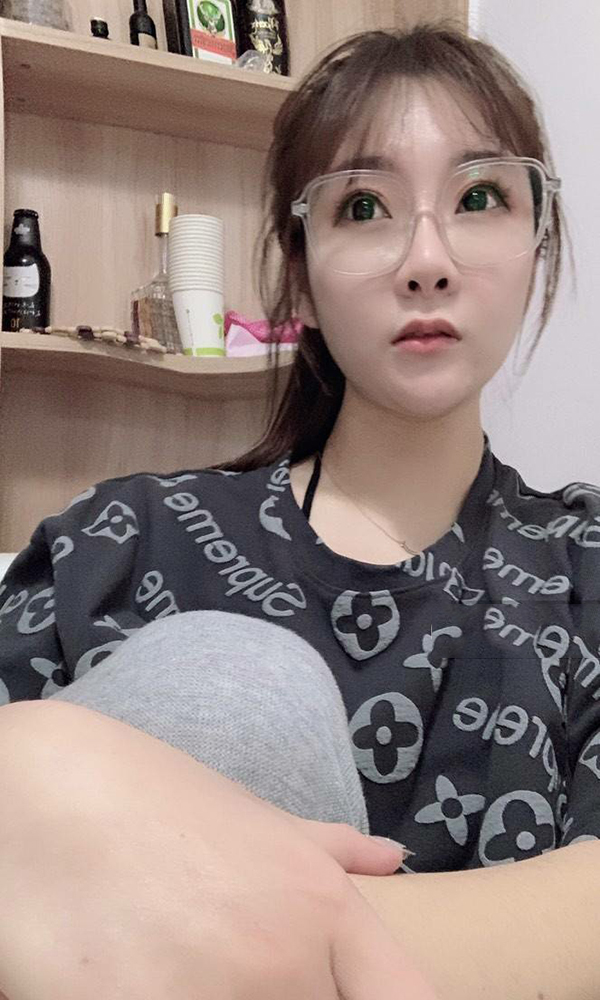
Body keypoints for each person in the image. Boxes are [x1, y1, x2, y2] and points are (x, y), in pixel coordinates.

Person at [1, 17, 599, 1000]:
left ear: (537, 241)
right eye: (363, 205)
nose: (427, 259)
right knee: (236, 687)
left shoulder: (585, 566)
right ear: (302, 277)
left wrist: (198, 915)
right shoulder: (122, 543)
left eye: (479, 196)